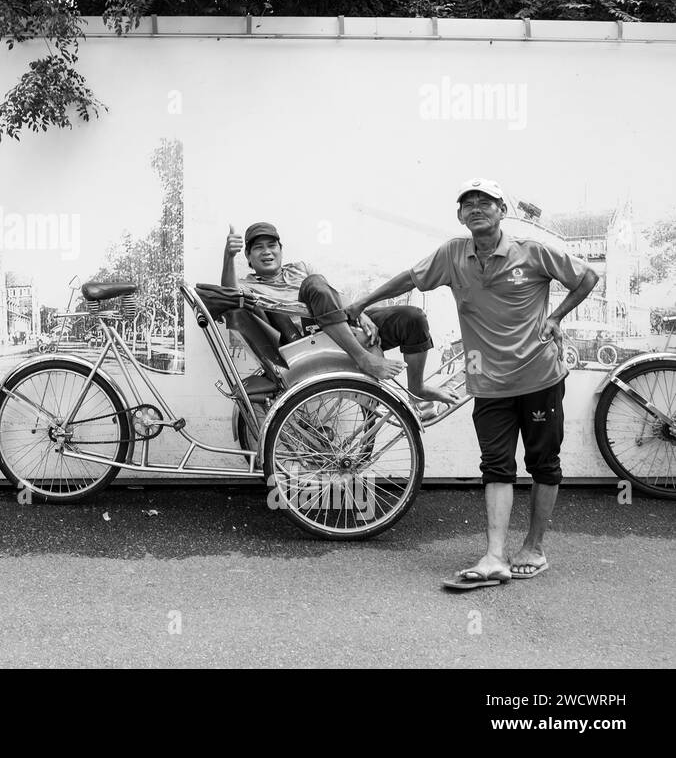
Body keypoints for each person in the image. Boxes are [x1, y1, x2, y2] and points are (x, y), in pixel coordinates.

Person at [350, 179, 598, 590]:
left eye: (486, 202)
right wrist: (361, 303)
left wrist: (556, 317)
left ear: (502, 210)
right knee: (496, 467)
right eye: (468, 203)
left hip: (539, 378)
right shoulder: (453, 254)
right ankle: (494, 556)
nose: (477, 208)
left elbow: (586, 277)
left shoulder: (532, 252)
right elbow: (410, 279)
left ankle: (534, 548)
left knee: (543, 464)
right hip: (487, 384)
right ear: (460, 216)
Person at [221, 222, 458, 408]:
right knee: (314, 283)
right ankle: (363, 358)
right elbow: (230, 297)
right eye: (258, 248)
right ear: (249, 258)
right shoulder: (248, 285)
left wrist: (360, 313)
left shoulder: (301, 268)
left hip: (339, 322)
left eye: (272, 246)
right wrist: (229, 257)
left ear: (281, 250)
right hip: (306, 339)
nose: (267, 252)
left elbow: (332, 294)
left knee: (412, 318)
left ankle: (417, 388)